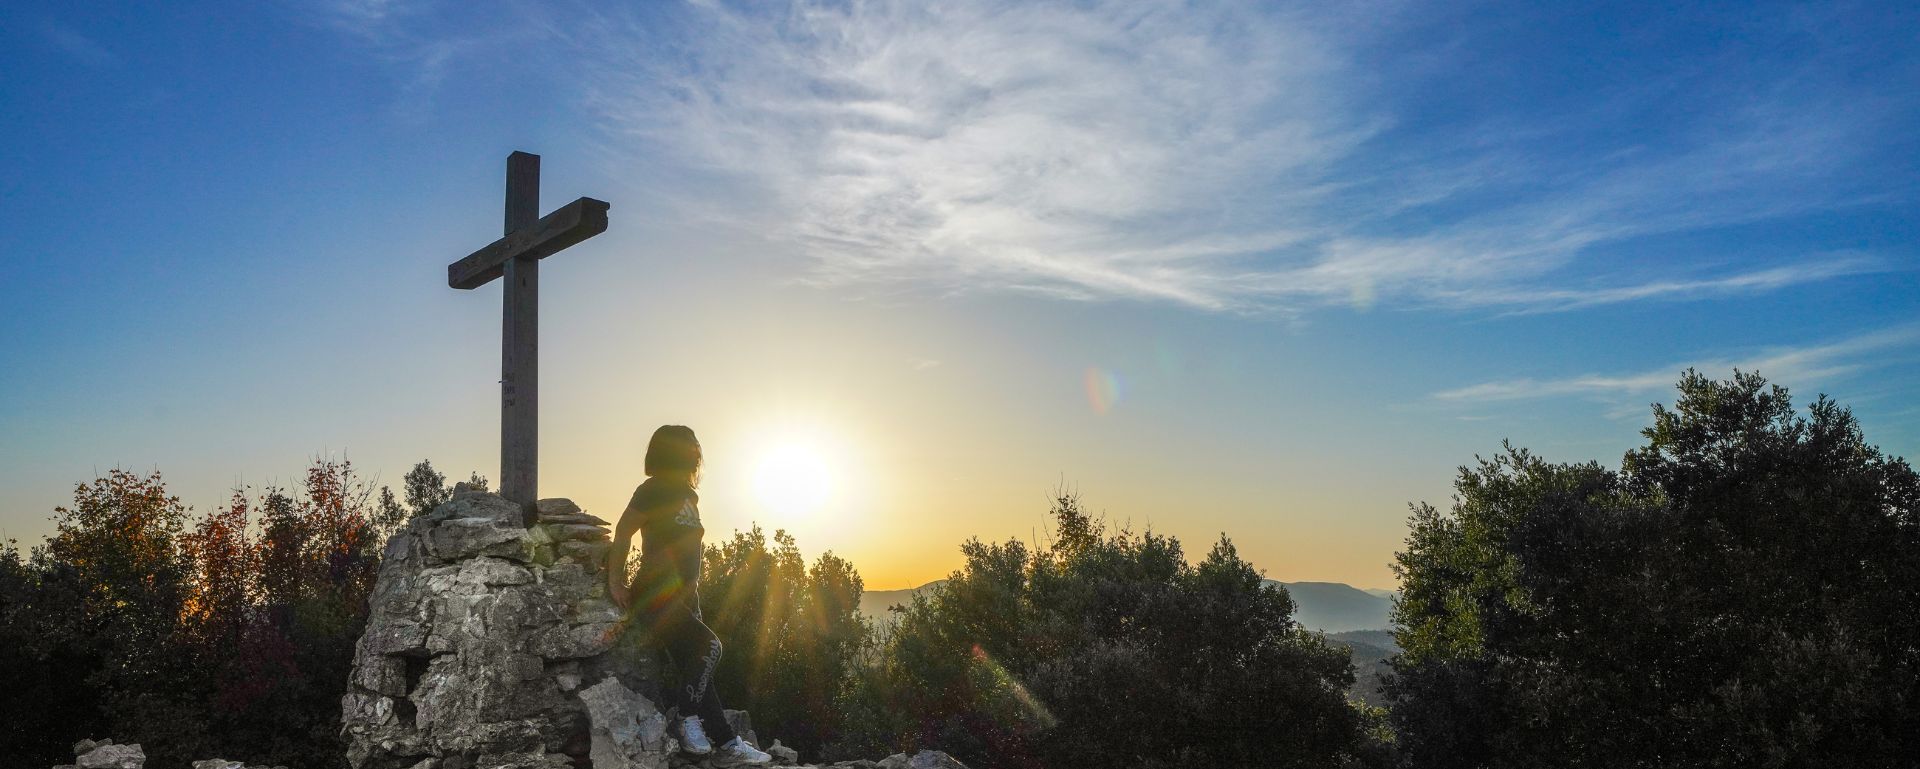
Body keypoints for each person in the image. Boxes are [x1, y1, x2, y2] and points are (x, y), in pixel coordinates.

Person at [608, 425, 772, 766]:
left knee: (698, 669)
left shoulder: (687, 495)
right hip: (655, 594)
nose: (697, 454)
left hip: (683, 598)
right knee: (711, 647)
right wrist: (616, 582)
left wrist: (692, 593)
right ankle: (686, 719)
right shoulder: (652, 490)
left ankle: (727, 745)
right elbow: (623, 532)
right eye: (691, 448)